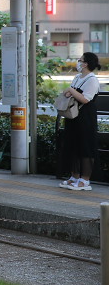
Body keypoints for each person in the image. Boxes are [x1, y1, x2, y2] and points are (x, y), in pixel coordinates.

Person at [58, 52, 102, 191]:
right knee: (73, 145)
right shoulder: (77, 77)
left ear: (86, 63)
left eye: (80, 60)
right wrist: (69, 91)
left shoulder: (92, 80)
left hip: (86, 118)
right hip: (73, 117)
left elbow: (85, 99)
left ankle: (85, 181)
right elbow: (68, 93)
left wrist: (71, 90)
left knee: (86, 147)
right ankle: (74, 177)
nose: (78, 62)